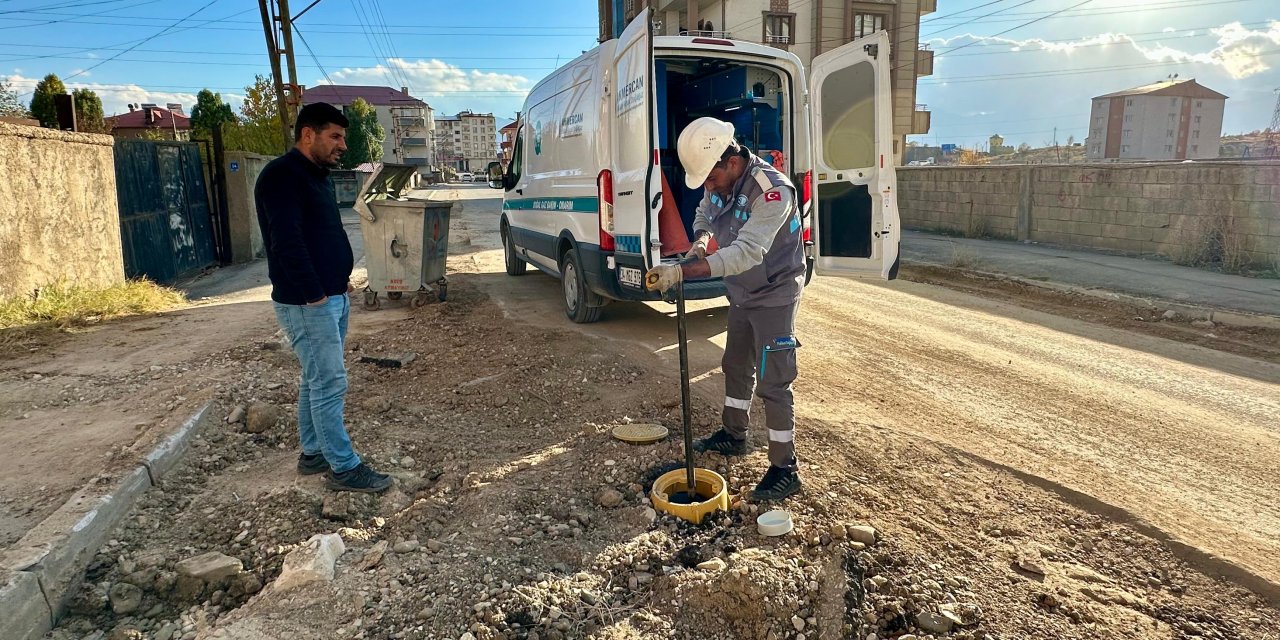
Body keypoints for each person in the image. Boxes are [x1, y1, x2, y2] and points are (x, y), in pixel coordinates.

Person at [646, 117, 806, 502]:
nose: (706, 185)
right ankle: (734, 435)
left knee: (773, 382)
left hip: (774, 294)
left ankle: (785, 468)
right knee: (735, 365)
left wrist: (681, 271)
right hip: (742, 293)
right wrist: (699, 244)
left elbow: (747, 252)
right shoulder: (721, 181)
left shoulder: (772, 192)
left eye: (710, 177)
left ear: (730, 161)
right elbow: (705, 215)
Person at [255, 102, 393, 494]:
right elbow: (287, 241)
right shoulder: (281, 176)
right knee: (330, 382)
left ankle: (313, 453)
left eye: (343, 137)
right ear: (307, 134)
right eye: (335, 136)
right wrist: (314, 292)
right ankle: (344, 467)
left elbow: (320, 235)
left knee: (315, 379)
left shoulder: (317, 175)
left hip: (329, 295)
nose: (342, 145)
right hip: (306, 303)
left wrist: (337, 281)